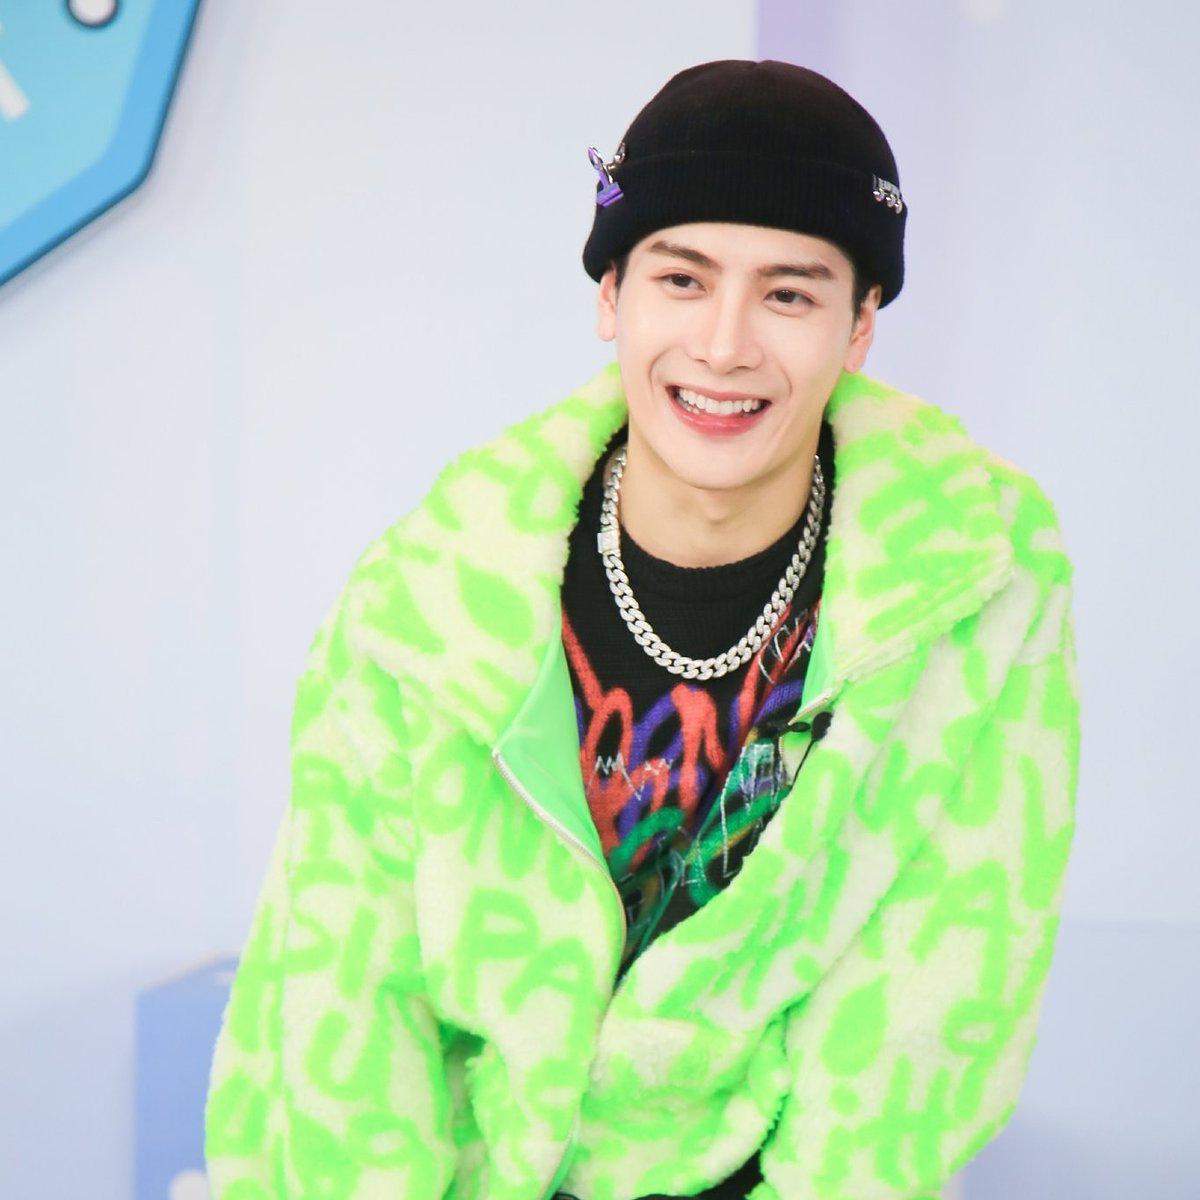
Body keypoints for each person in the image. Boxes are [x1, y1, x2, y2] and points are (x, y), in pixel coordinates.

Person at [205, 60, 1078, 1200]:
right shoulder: (427, 596)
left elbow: (939, 990)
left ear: (860, 325)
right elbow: (344, 994)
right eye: (681, 278)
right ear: (610, 296)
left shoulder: (971, 579)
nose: (723, 345)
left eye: (789, 294)